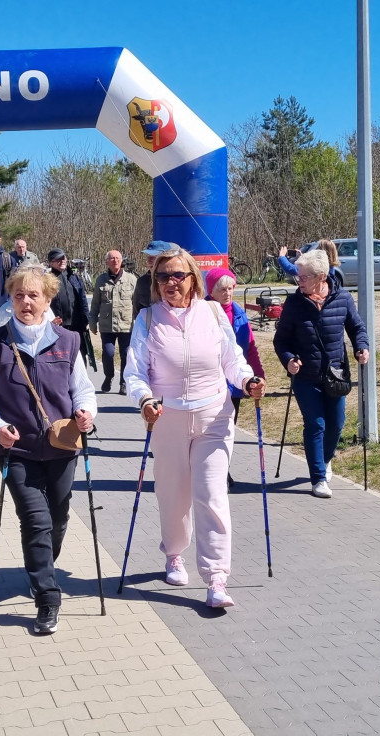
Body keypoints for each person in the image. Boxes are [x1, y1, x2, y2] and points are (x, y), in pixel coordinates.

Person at [124, 246, 266, 609]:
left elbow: (233, 360)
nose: (170, 282)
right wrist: (144, 399)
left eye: (177, 275)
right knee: (173, 499)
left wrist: (248, 381)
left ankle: (217, 578)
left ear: (192, 279)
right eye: (162, 276)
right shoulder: (147, 320)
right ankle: (174, 554)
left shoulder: (214, 312)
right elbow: (135, 373)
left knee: (211, 495)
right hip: (167, 418)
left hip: (214, 416)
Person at [0, 266, 97, 635]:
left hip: (62, 446)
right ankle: (47, 598)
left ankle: (39, 566)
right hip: (18, 450)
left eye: (34, 295)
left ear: (47, 299)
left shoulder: (68, 340)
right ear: (10, 300)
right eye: (18, 295)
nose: (26, 302)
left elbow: (83, 390)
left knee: (58, 520)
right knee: (36, 521)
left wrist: (86, 412)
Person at [273, 249, 369, 499]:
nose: (299, 280)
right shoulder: (294, 303)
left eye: (304, 276)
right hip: (305, 375)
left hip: (335, 374)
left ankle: (325, 460)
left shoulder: (343, 299)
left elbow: (357, 327)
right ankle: (318, 478)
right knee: (315, 424)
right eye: (298, 276)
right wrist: (289, 360)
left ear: (321, 277)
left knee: (336, 425)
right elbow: (281, 341)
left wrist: (362, 346)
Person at [204, 266, 266, 422]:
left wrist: (258, 375)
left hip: (235, 382)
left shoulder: (240, 314)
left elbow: (250, 348)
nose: (228, 293)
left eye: (230, 288)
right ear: (212, 292)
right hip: (210, 386)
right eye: (223, 289)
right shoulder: (202, 313)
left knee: (229, 430)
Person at [89, 249, 137, 394]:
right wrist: (92, 322)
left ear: (121, 261)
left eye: (117, 258)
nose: (115, 260)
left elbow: (136, 303)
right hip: (106, 325)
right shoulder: (101, 280)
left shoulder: (131, 280)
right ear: (107, 262)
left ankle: (123, 382)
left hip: (126, 325)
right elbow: (95, 303)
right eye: (112, 258)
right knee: (108, 353)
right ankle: (108, 376)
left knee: (126, 354)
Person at [46, 249, 91, 347]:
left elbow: (83, 299)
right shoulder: (47, 280)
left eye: (63, 258)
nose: (62, 261)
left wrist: (87, 319)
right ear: (51, 263)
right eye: (58, 259)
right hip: (58, 326)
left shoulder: (74, 277)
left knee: (80, 356)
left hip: (77, 325)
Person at [279, 240, 344, 287]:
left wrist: (282, 257)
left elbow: (292, 269)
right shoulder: (330, 267)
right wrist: (302, 258)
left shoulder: (318, 266)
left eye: (318, 248)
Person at [132, 240, 170, 319]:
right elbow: (137, 312)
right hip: (150, 328)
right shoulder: (142, 282)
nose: (149, 260)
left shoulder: (176, 280)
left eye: (154, 256)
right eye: (148, 256)